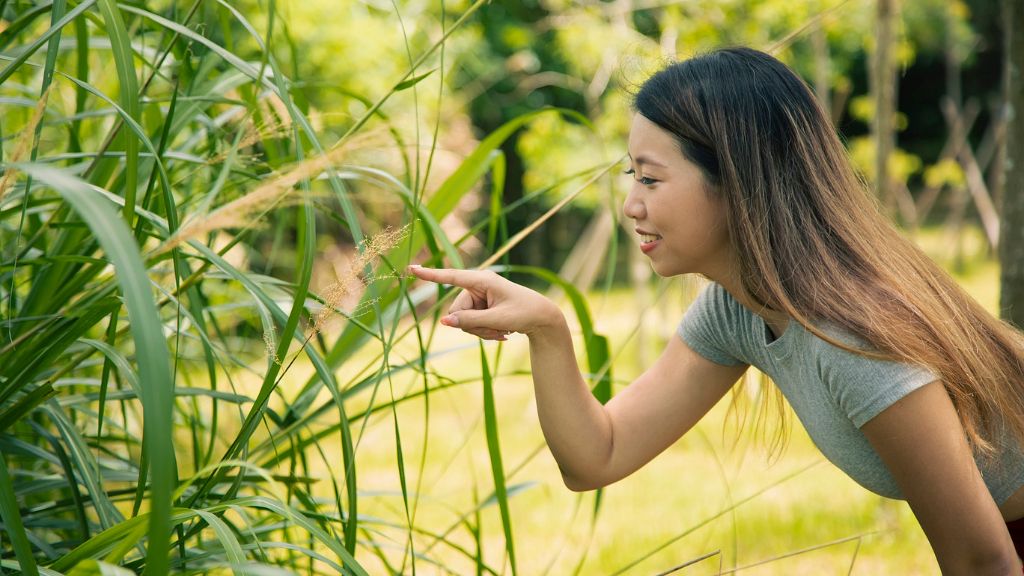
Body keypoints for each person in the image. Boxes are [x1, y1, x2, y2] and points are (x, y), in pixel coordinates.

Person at [407, 47, 1024, 574]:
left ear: (736, 181)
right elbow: (598, 455)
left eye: (649, 179)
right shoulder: (738, 309)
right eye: (631, 175)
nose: (629, 205)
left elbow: (984, 562)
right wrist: (547, 330)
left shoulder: (854, 340)